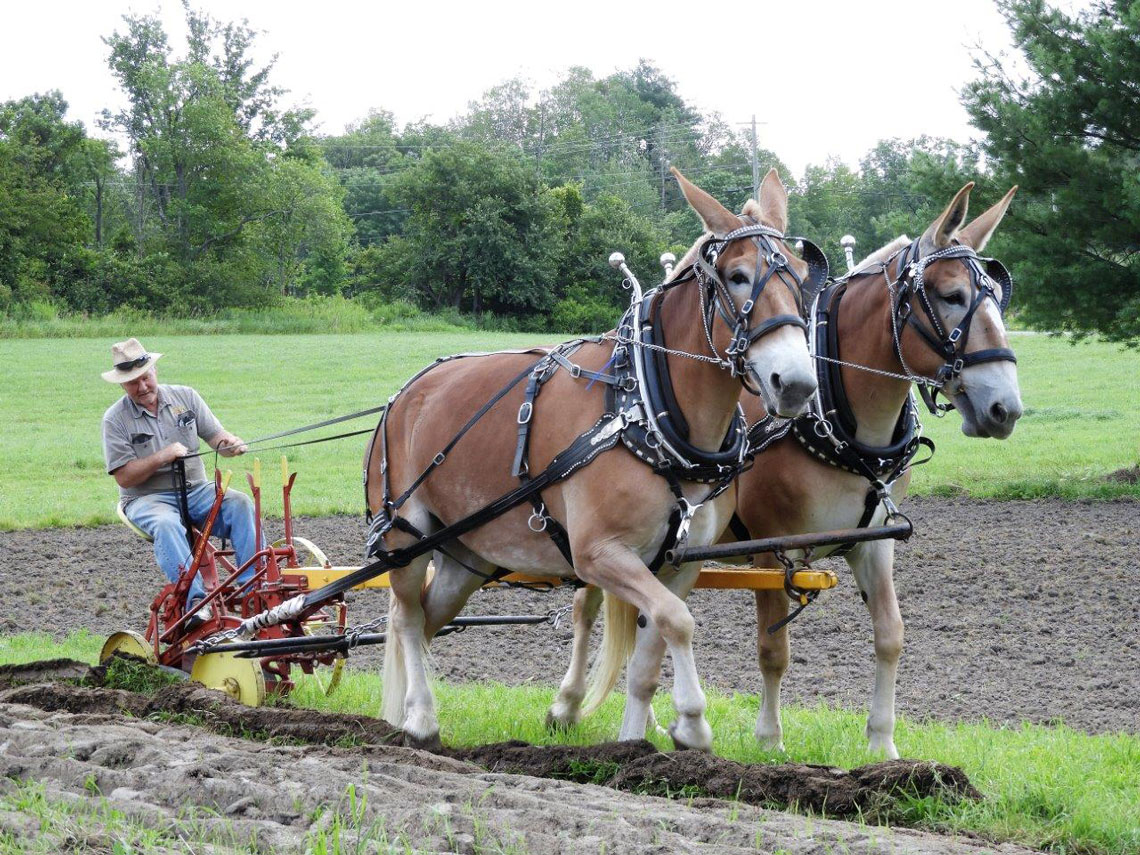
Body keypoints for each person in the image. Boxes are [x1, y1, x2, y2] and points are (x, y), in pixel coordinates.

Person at [101, 337, 259, 627]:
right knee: (166, 524)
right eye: (133, 383)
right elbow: (124, 476)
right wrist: (162, 456)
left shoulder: (186, 397)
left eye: (145, 377)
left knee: (239, 502)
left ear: (154, 371)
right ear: (122, 385)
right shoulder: (115, 420)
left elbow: (216, 438)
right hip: (147, 499)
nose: (142, 387)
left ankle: (253, 591)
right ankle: (195, 601)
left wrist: (230, 444)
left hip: (196, 490)